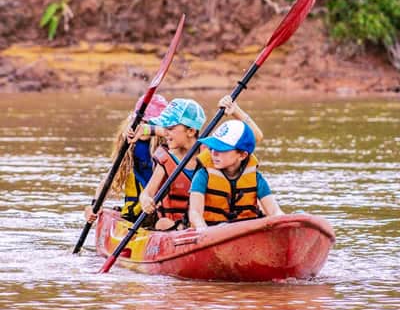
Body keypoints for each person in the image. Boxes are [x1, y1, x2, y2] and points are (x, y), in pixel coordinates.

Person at [84, 94, 168, 224]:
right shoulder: (130, 146)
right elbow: (110, 179)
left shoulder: (170, 144)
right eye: (139, 121)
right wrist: (95, 204)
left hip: (165, 208)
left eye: (147, 123)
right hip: (142, 211)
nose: (141, 126)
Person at [189, 119, 284, 230]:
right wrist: (202, 229)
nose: (214, 153)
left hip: (247, 231)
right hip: (211, 230)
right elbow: (195, 213)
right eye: (212, 147)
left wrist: (286, 223)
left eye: (221, 149)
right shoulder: (202, 176)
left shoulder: (256, 178)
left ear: (242, 155)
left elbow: (273, 211)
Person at [139, 98, 206, 230]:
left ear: (191, 131)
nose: (165, 133)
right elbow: (147, 193)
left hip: (204, 225)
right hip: (174, 227)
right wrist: (145, 200)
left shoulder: (212, 154)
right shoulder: (167, 159)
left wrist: (235, 111)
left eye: (170, 128)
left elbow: (254, 138)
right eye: (165, 128)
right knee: (162, 223)